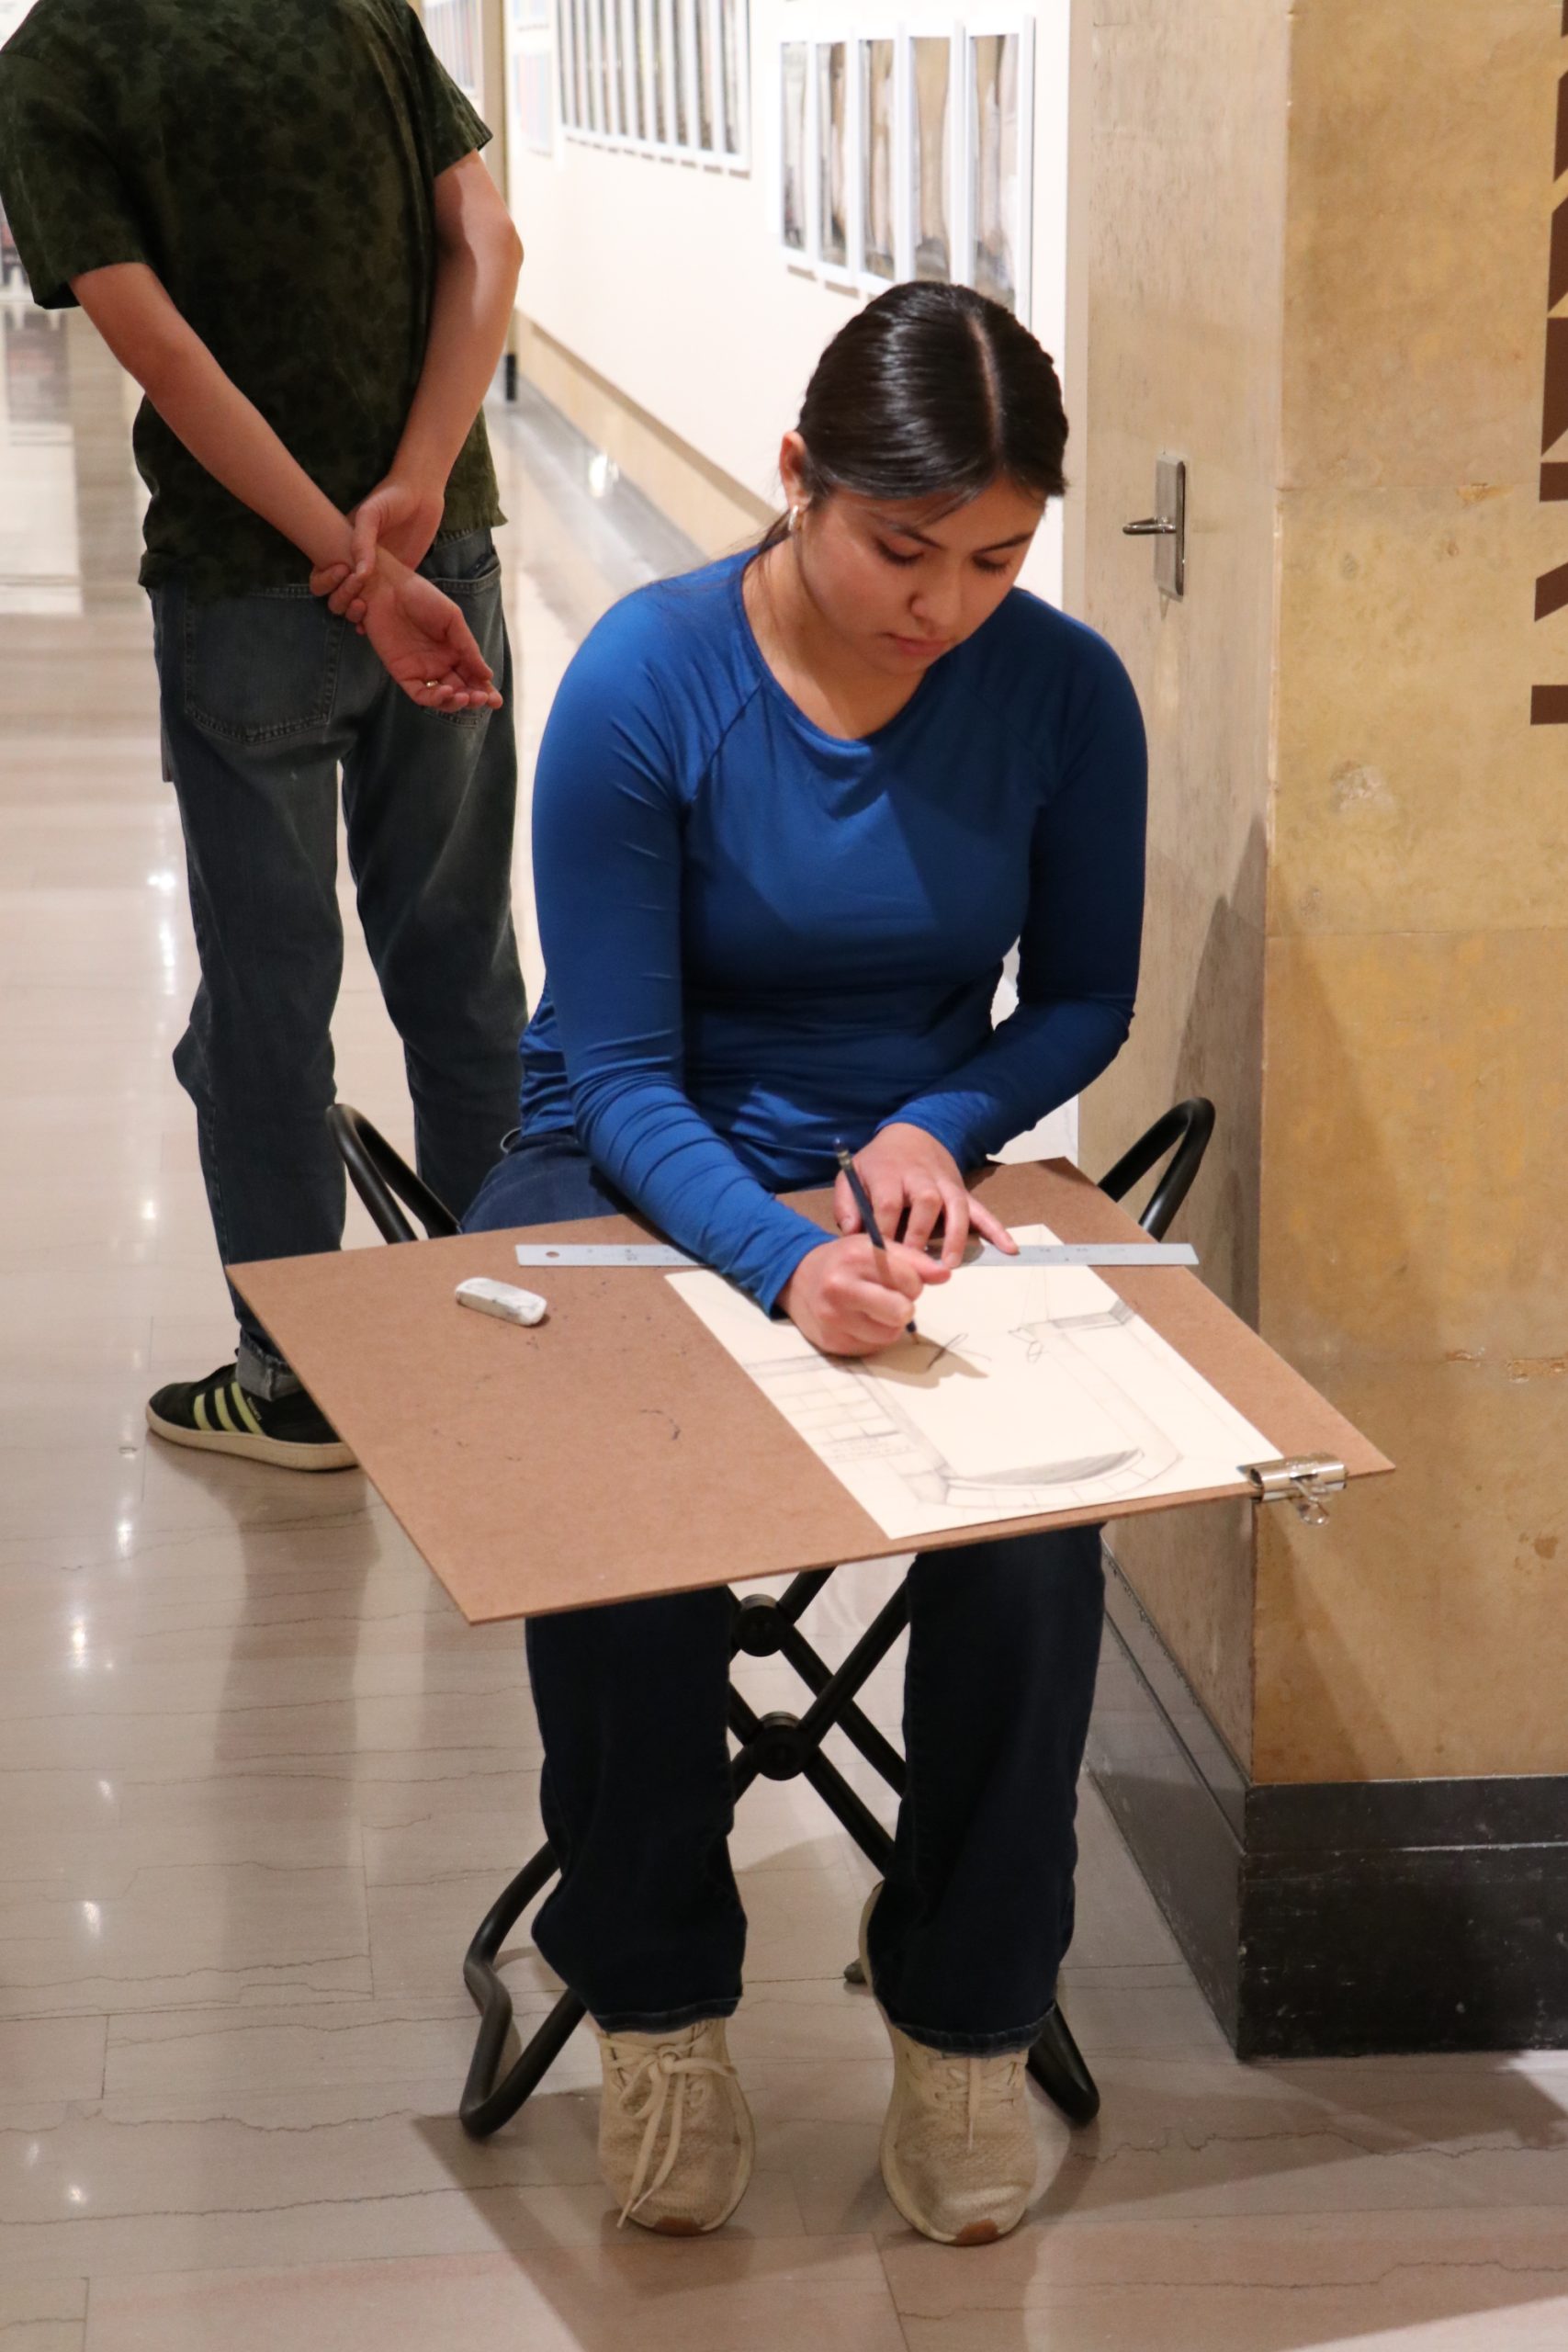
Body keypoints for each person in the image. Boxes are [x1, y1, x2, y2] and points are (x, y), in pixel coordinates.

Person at [456, 282, 1147, 2244]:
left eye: (996, 557)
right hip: (618, 1164)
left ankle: (967, 2011)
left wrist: (937, 1121)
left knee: (1036, 1521)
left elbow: (1080, 991)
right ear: (794, 482)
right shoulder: (646, 682)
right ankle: (657, 1998)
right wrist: (776, 1261)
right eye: (899, 547)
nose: (942, 604)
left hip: (900, 1174)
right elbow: (614, 1071)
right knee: (625, 1500)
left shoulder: (1063, 690)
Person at [0, 0, 529, 1470]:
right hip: (447, 564)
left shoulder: (60, 58)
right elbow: (486, 241)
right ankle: (516, 1326)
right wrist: (411, 498)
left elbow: (163, 355)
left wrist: (336, 558)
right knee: (465, 964)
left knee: (268, 991)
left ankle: (295, 1380)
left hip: (251, 587)